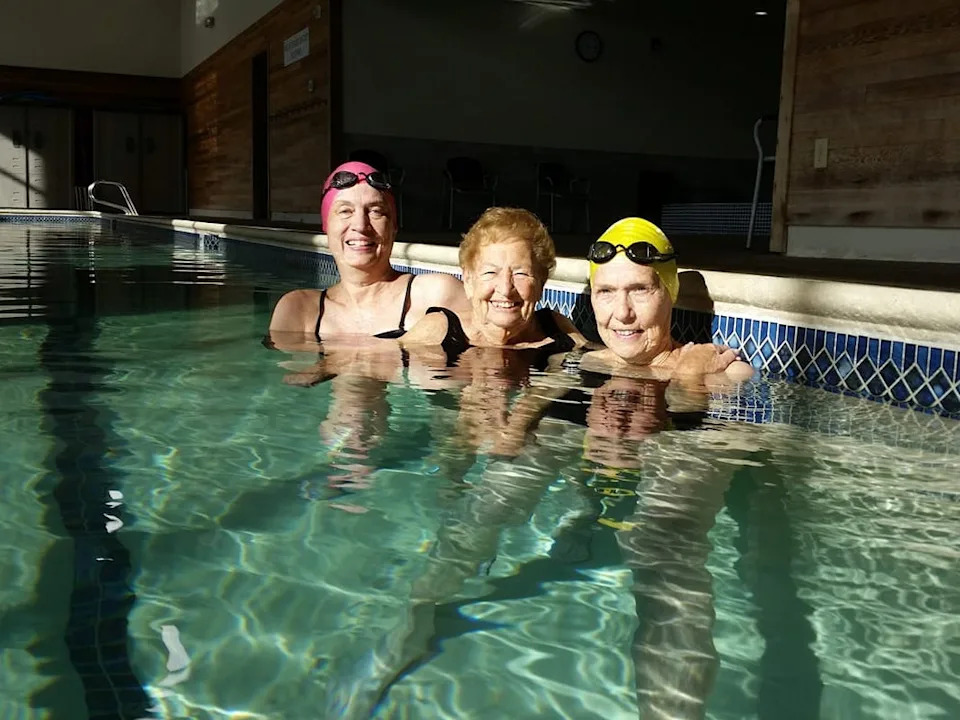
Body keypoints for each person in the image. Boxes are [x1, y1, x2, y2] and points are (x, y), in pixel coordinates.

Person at [267, 161, 470, 350]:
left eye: (376, 211)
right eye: (345, 211)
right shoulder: (299, 311)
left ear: (393, 227)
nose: (360, 225)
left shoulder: (438, 294)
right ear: (326, 227)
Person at [402, 207, 586, 361]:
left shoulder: (556, 330)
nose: (506, 289)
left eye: (521, 273)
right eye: (490, 273)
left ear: (541, 283)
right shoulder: (438, 331)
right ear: (468, 281)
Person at [581, 217, 754, 382]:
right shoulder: (589, 362)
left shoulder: (729, 373)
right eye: (605, 291)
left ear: (671, 294)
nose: (622, 313)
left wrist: (690, 377)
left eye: (640, 290)